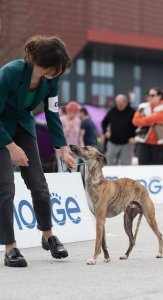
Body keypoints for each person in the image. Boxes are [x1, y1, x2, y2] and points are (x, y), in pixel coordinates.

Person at [0, 35, 76, 267]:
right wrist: (10, 146)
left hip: (23, 126)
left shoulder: (52, 80)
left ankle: (48, 235)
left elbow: (52, 113)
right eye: (58, 67)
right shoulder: (11, 73)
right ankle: (10, 247)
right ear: (44, 65)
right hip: (2, 129)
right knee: (5, 188)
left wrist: (62, 147)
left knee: (40, 186)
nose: (60, 72)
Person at [133, 87, 163, 165]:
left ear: (159, 96)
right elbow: (135, 121)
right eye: (148, 95)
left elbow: (161, 118)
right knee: (143, 167)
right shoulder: (142, 106)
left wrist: (144, 120)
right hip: (143, 141)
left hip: (160, 143)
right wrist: (152, 120)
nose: (150, 97)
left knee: (159, 168)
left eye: (152, 95)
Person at [102, 94, 136, 165]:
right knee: (110, 164)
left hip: (126, 143)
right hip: (112, 142)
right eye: (118, 104)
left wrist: (134, 137)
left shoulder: (132, 112)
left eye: (121, 104)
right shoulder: (112, 111)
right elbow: (104, 122)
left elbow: (137, 126)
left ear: (126, 102)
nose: (119, 106)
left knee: (126, 165)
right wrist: (105, 132)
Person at [57, 101, 83, 172]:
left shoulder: (78, 121)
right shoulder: (62, 119)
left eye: (75, 112)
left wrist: (82, 147)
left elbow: (79, 137)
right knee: (63, 171)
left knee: (73, 171)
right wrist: (68, 128)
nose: (74, 114)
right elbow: (59, 135)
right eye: (72, 112)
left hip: (74, 151)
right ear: (68, 111)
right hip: (63, 151)